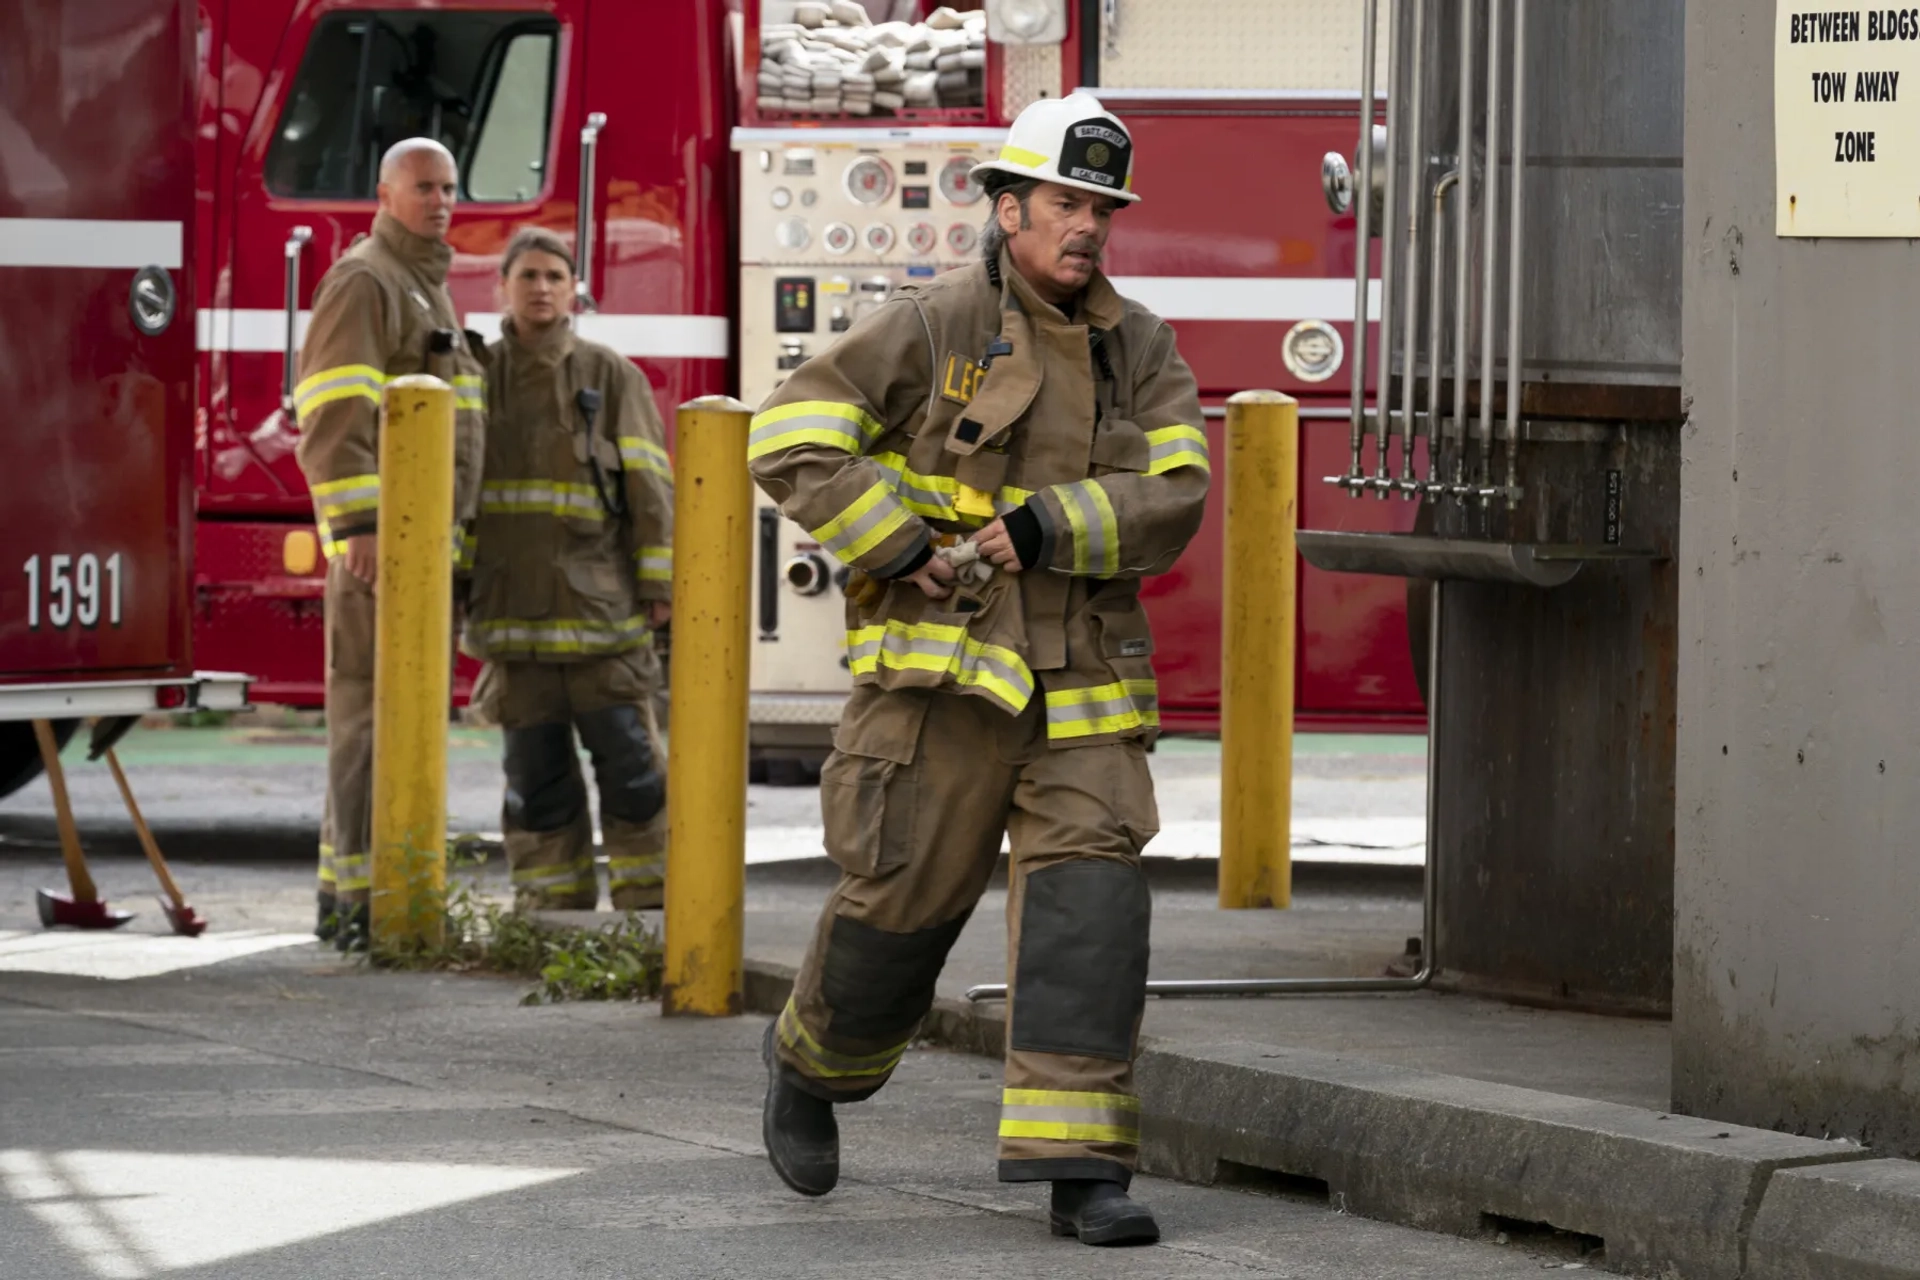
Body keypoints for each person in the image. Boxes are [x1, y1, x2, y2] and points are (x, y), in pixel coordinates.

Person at [748, 93, 1209, 1245]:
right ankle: (810, 1068)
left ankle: (1080, 1168)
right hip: (942, 686)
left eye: (1102, 208)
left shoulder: (1141, 346)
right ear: (1008, 209)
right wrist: (894, 542)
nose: (1088, 228)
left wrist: (1055, 525)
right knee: (900, 908)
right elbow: (787, 435)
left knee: (1088, 913)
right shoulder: (929, 324)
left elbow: (1179, 492)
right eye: (1065, 203)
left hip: (1085, 686)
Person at [294, 137, 487, 952]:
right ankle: (355, 902)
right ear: (383, 192)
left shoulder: (423, 285)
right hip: (386, 550)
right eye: (422, 189)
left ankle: (385, 893)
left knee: (399, 719)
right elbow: (334, 412)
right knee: (369, 718)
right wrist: (361, 527)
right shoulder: (368, 280)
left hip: (424, 550)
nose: (439, 202)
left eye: (447, 188)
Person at [462, 227, 674, 912]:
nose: (542, 288)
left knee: (634, 772)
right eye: (528, 275)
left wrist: (659, 587)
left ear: (573, 288)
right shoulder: (473, 380)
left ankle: (652, 910)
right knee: (536, 781)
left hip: (602, 624)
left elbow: (651, 490)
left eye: (554, 275)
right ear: (502, 287)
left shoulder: (611, 377)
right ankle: (551, 919)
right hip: (512, 624)